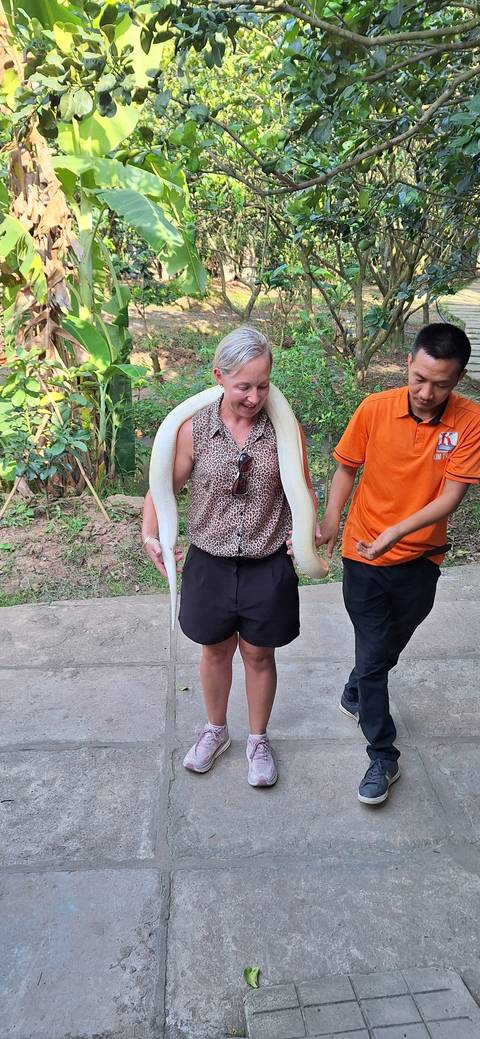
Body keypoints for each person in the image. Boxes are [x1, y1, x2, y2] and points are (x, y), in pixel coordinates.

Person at [141, 326, 318, 787]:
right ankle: (215, 731)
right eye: (243, 386)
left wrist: (306, 531)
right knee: (215, 650)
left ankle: (258, 740)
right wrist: (150, 533)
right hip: (210, 561)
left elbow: (303, 490)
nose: (254, 397)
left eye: (263, 385)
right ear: (218, 376)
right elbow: (163, 486)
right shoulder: (193, 430)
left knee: (259, 654)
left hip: (266, 562)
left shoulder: (284, 430)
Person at [318, 322, 480, 805]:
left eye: (441, 384)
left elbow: (450, 497)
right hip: (363, 555)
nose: (427, 393)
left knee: (389, 645)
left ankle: (354, 690)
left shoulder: (470, 421)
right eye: (420, 379)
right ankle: (382, 756)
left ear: (459, 379)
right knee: (374, 657)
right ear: (408, 363)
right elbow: (346, 467)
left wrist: (395, 533)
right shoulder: (374, 409)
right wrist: (331, 519)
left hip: (421, 559)